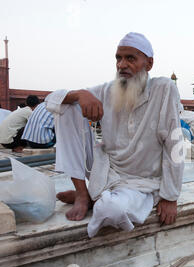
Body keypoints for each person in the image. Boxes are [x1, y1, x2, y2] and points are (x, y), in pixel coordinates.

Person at [44, 32, 184, 238]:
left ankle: (95, 198)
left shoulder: (164, 89)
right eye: (118, 58)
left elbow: (174, 145)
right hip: (106, 169)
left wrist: (170, 197)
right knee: (67, 108)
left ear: (149, 63)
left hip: (141, 182)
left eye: (130, 58)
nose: (121, 65)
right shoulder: (109, 89)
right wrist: (80, 95)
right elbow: (51, 101)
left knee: (111, 211)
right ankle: (83, 193)